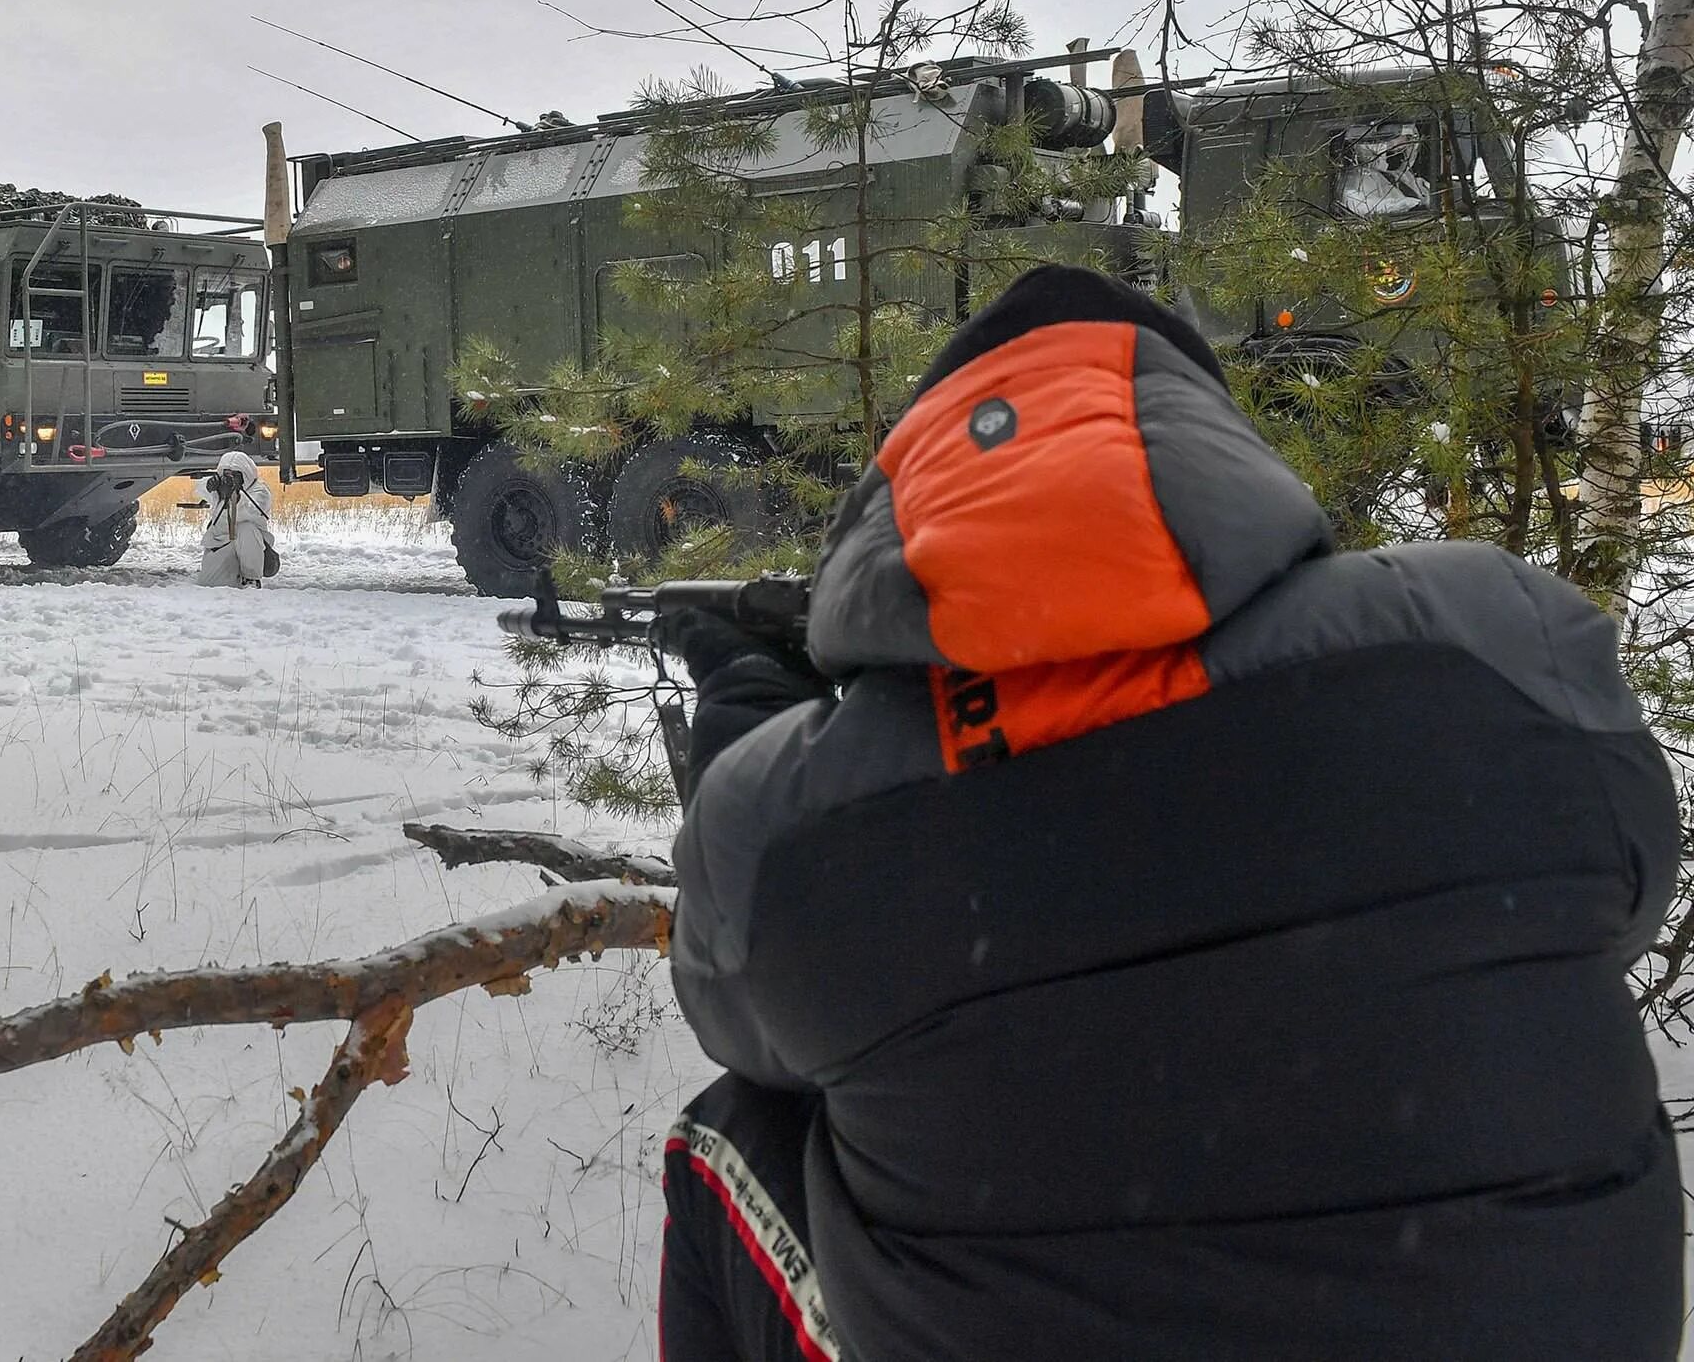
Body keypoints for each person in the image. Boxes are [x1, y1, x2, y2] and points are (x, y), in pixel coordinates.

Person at [655, 264, 1682, 1360]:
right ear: (1209, 442)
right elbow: (1625, 891)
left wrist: (764, 731)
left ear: (915, 486)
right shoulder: (1491, 632)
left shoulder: (787, 816)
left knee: (730, 1130)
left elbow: (741, 1005)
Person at [196, 449, 275, 587]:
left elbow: (250, 511)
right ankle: (231, 573)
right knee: (208, 583)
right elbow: (199, 487)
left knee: (246, 529)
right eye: (226, 475)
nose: (229, 479)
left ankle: (251, 578)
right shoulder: (220, 491)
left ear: (246, 475)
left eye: (235, 476)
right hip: (224, 540)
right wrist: (213, 487)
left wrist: (236, 497)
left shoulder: (260, 491)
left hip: (251, 543)